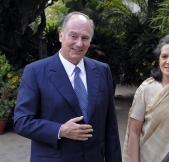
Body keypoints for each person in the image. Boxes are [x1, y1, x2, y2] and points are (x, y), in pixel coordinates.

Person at [14, 12, 122, 162]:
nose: (79, 43)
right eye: (73, 36)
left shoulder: (102, 71)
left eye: (85, 38)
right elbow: (22, 121)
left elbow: (111, 127)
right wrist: (60, 130)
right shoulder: (36, 72)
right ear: (61, 36)